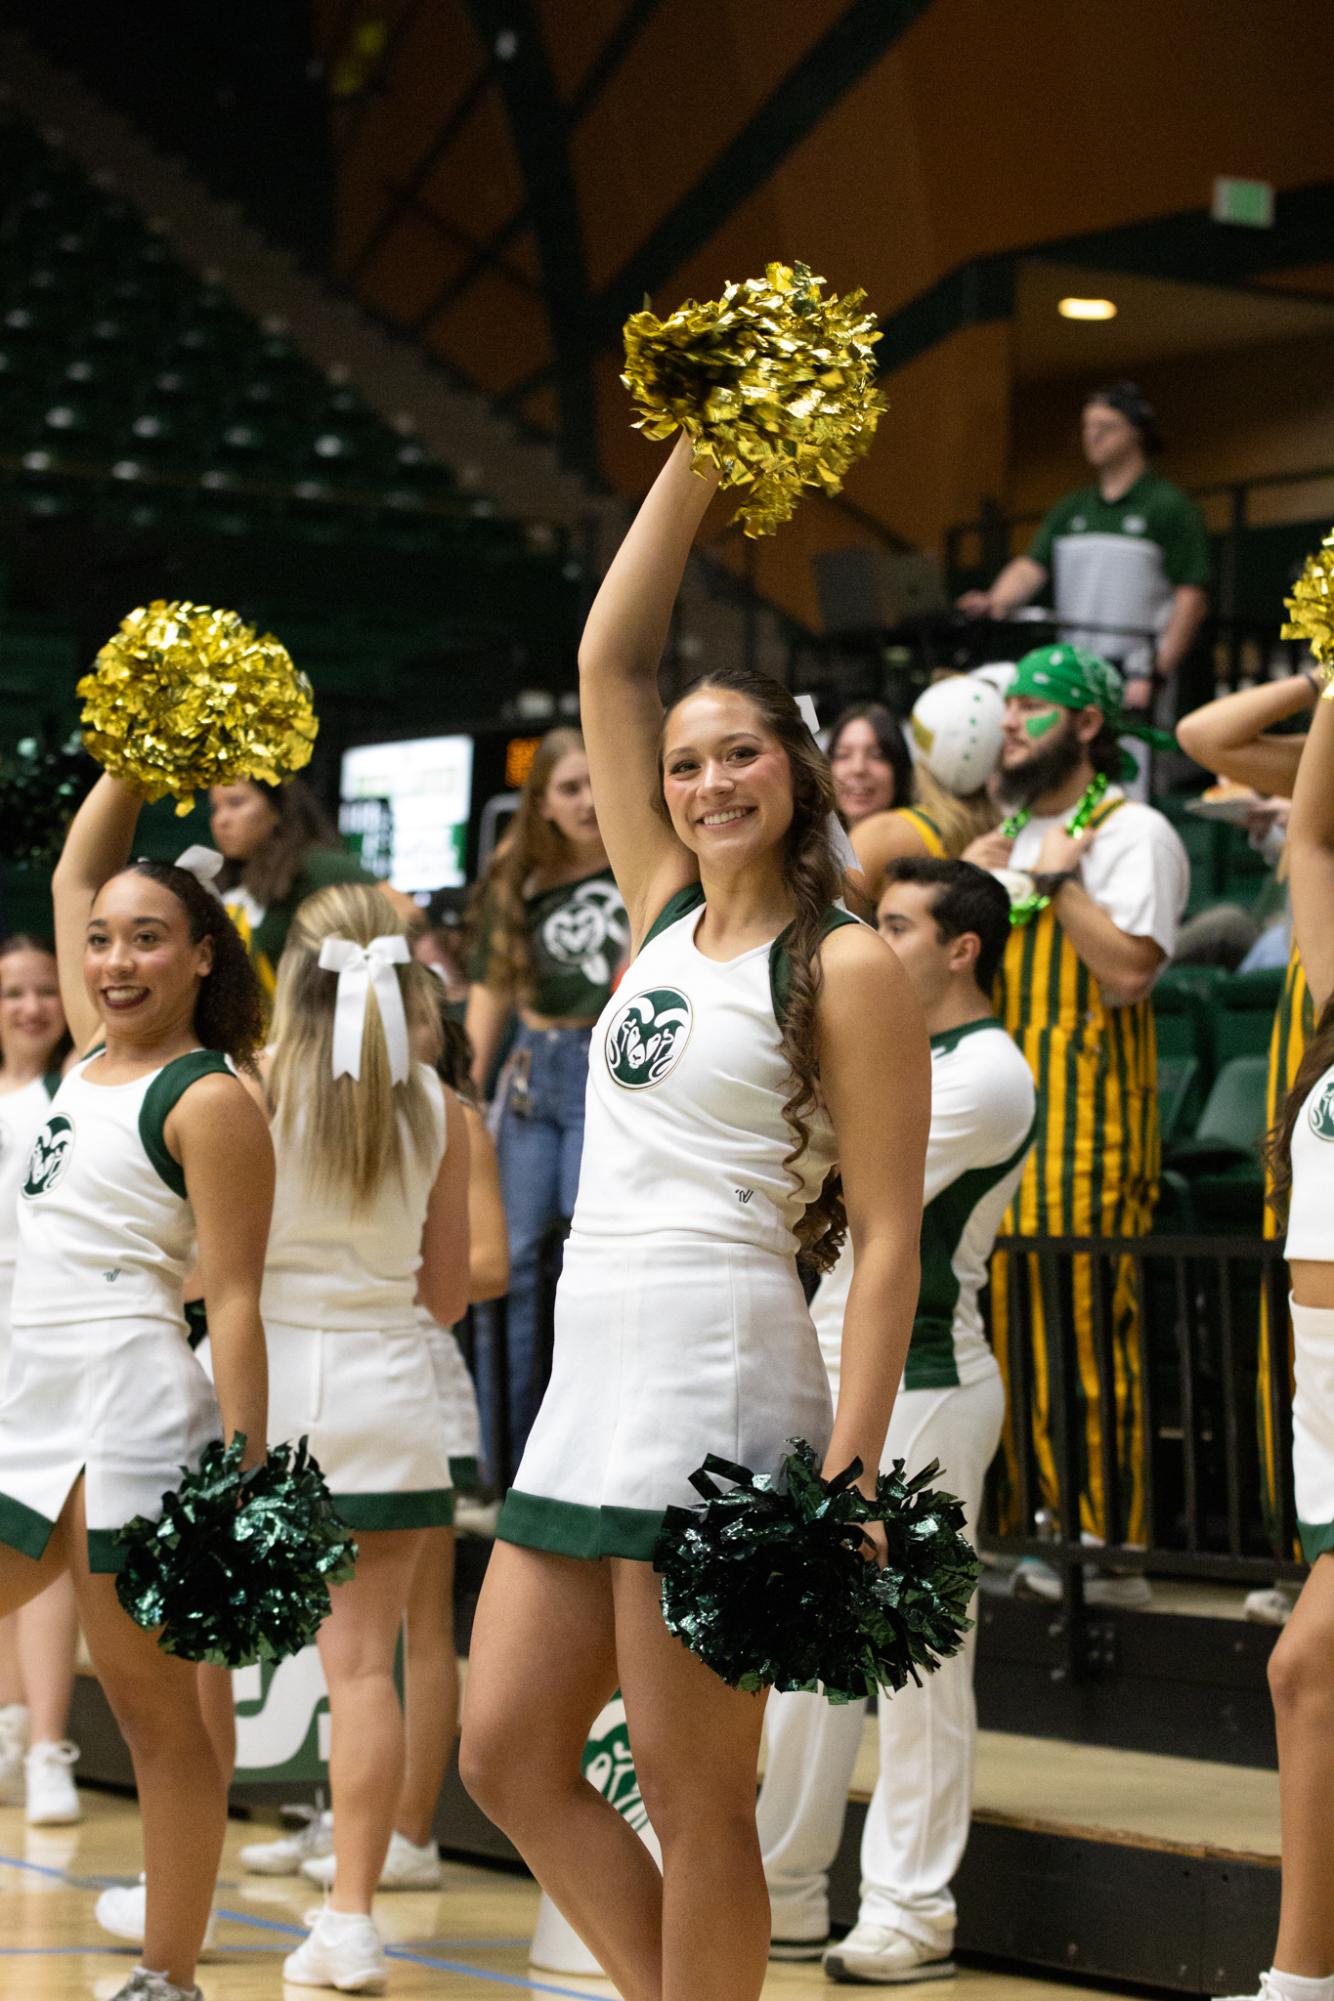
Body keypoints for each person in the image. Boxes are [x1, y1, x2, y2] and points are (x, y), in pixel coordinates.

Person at [458, 435, 930, 2001]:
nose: (708, 780)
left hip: (724, 1372)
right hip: (593, 1367)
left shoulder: (844, 963)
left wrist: (854, 1473)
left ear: (793, 773)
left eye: (739, 755)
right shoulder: (657, 905)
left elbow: (884, 1242)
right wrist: (696, 448)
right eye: (682, 762)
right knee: (508, 1752)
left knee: (693, 1795)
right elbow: (612, 648)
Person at [0, 772, 273, 2001]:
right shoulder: (90, 1052)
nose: (113, 959)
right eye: (102, 940)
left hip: (132, 1406)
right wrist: (132, 748)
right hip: (26, 1386)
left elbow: (241, 1299)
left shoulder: (209, 1094)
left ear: (200, 954)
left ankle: (170, 1974)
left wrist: (245, 1477)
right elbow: (69, 873)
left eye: (146, 938)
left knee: (159, 1723)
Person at [758, 858, 1035, 1984]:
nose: (873, 942)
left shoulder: (984, 1072)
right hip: (839, 1371)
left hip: (924, 1380)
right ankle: (779, 1890)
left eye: (896, 925)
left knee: (918, 1662)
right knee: (810, 1644)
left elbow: (830, 1166)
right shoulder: (908, 1053)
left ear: (960, 947)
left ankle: (913, 1906)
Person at [246, 883, 470, 1992]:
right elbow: (446, 1296)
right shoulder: (440, 1107)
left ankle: (173, 1878)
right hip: (390, 1400)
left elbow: (210, 1270)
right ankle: (349, 1918)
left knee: (197, 1657)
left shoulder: (249, 1088)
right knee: (362, 1672)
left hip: (262, 1394)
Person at [969, 644, 1188, 1586]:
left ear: (1089, 725)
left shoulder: (1133, 831)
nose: (1012, 720)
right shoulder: (1005, 834)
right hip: (1007, 1125)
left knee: (1086, 1332)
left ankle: (1108, 1544)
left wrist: (1058, 883)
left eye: (1036, 706)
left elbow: (1131, 973)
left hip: (1092, 1125)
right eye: (1009, 705)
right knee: (1015, 1331)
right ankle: (1039, 1524)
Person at [297, 1003, 509, 1896]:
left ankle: (410, 1831)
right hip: (328, 1374)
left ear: (439, 1033)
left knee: (418, 1626)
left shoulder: (449, 1116)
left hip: (408, 1370)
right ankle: (349, 1821)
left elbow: (488, 1266)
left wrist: (384, 1267)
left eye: (410, 1011)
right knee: (344, 1639)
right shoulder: (308, 1102)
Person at [1221, 674, 1334, 2001]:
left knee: (1302, 1670)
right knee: (1309, 1679)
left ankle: (1299, 1982)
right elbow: (1306, 837)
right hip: (1320, 1418)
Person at [1178, 670, 1322, 1623]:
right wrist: (1325, 664)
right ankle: (1300, 1554)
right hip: (1317, 1096)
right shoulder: (1321, 782)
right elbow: (1203, 731)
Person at [464, 727, 629, 1468]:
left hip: (613, 1061)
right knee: (514, 1259)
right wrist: (463, 1078)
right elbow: (494, 979)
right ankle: (509, 1458)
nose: (589, 800)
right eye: (570, 787)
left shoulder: (644, 852)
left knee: (589, 1252)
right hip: (536, 1064)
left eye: (598, 781)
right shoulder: (519, 868)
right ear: (542, 801)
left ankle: (587, 1445)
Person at [958, 381, 1210, 791]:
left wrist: (1157, 669)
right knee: (1068, 764)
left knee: (1130, 770)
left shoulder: (1168, 507)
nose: (1091, 436)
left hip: (1133, 668)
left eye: (1104, 426)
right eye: (1086, 426)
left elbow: (1191, 596)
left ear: (1135, 432)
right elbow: (1030, 567)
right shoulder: (1072, 508)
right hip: (1073, 667)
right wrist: (995, 600)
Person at [0, 934, 81, 1826]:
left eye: (41, 990)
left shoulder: (73, 1095)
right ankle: (11, 1723)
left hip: (45, 1331)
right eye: (12, 992)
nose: (28, 1007)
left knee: (44, 1544)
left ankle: (53, 1746)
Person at [209, 776, 415, 1004]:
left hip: (310, 1031)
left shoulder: (314, 864)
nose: (221, 820)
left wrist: (349, 981)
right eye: (215, 808)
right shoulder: (224, 878)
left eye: (236, 803)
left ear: (277, 809)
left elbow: (408, 912)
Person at [851, 676, 1005, 899]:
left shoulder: (880, 835)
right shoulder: (1010, 832)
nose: (857, 768)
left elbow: (821, 923)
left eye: (877, 755)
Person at [826, 704, 913, 829]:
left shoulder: (925, 843)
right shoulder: (810, 845)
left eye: (876, 756)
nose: (858, 768)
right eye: (844, 755)